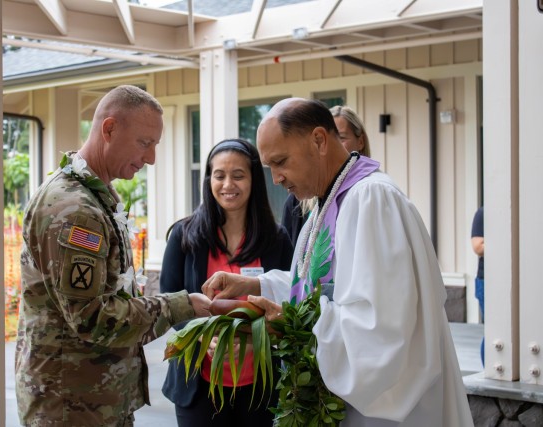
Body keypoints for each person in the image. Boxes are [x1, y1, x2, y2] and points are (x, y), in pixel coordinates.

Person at [202, 98, 474, 426]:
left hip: (386, 410)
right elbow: (323, 287)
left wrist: (290, 324)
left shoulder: (371, 199)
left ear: (319, 140)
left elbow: (379, 326)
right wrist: (258, 284)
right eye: (269, 167)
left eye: (281, 161)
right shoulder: (326, 203)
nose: (275, 178)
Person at [15, 85, 211, 427]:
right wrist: (183, 305)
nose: (150, 158)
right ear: (109, 129)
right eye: (145, 143)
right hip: (71, 407)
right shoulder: (75, 210)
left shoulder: (94, 196)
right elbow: (93, 317)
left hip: (91, 401)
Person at [160, 139, 294, 426]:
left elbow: (289, 302)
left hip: (261, 386)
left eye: (238, 175)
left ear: (254, 180)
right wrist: (203, 336)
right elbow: (169, 301)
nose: (227, 184)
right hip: (197, 384)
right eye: (219, 175)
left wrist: (251, 340)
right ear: (209, 179)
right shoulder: (183, 236)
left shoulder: (277, 239)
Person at [281, 104, 371, 245]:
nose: (330, 145)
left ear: (360, 142)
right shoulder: (297, 203)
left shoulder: (369, 193)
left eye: (340, 137)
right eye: (321, 140)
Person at [471, 206, 485, 365]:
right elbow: (478, 246)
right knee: (493, 331)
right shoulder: (483, 213)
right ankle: (488, 371)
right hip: (487, 280)